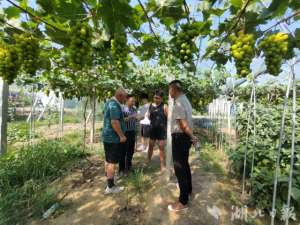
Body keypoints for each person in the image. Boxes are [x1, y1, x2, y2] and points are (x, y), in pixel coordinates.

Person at [167, 80, 198, 212]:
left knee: (179, 167)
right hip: (184, 137)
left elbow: (183, 124)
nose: (169, 93)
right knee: (184, 165)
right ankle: (188, 190)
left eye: (169, 90)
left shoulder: (179, 102)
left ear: (174, 89)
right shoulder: (185, 100)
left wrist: (193, 137)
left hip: (180, 137)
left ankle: (183, 201)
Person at [102, 87, 127, 195]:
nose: (125, 99)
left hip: (108, 137)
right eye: (125, 97)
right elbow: (114, 122)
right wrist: (121, 136)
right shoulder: (114, 105)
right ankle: (110, 187)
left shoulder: (109, 102)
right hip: (113, 138)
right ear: (120, 96)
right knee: (112, 162)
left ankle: (109, 177)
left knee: (108, 160)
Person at [147, 90, 168, 171]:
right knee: (151, 145)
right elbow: (149, 116)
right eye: (155, 97)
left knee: (161, 147)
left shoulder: (164, 106)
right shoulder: (150, 105)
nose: (156, 99)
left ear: (161, 99)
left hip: (161, 130)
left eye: (158, 98)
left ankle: (162, 165)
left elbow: (169, 118)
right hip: (152, 129)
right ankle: (148, 160)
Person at [119, 94, 137, 176]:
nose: (133, 102)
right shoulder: (122, 109)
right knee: (123, 151)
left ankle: (129, 166)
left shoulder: (134, 109)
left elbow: (135, 119)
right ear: (127, 100)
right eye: (132, 101)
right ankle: (122, 169)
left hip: (132, 131)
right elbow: (121, 121)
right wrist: (130, 117)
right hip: (125, 132)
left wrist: (139, 118)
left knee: (131, 150)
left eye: (134, 101)